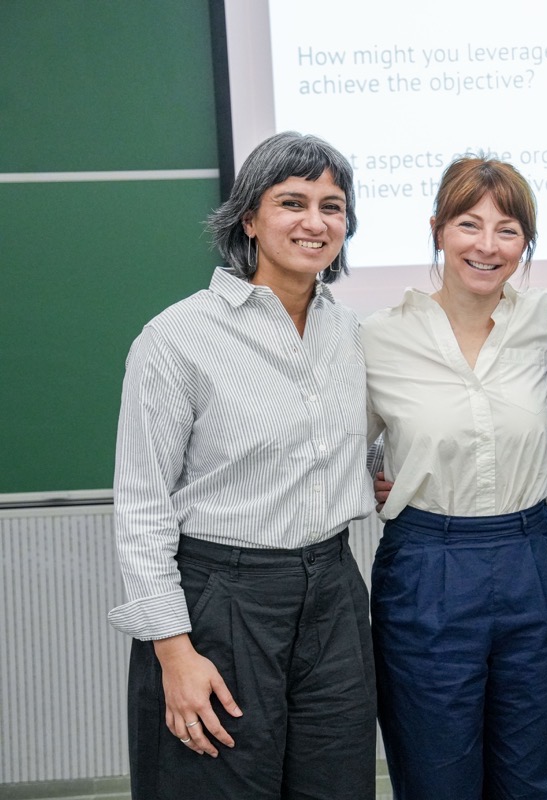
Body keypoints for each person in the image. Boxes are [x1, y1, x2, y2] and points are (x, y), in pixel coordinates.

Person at [110, 131, 377, 798]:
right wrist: (173, 650)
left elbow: (349, 444)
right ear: (250, 219)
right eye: (293, 202)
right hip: (222, 601)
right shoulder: (176, 339)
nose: (315, 222)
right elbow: (142, 508)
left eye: (332, 206)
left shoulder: (351, 332)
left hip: (334, 593)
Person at [363, 156, 547, 800]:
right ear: (437, 229)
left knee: (536, 777)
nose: (487, 246)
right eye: (468, 224)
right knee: (436, 778)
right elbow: (332, 443)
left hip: (530, 559)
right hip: (426, 567)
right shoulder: (379, 336)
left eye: (508, 230)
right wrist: (386, 480)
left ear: (526, 245)